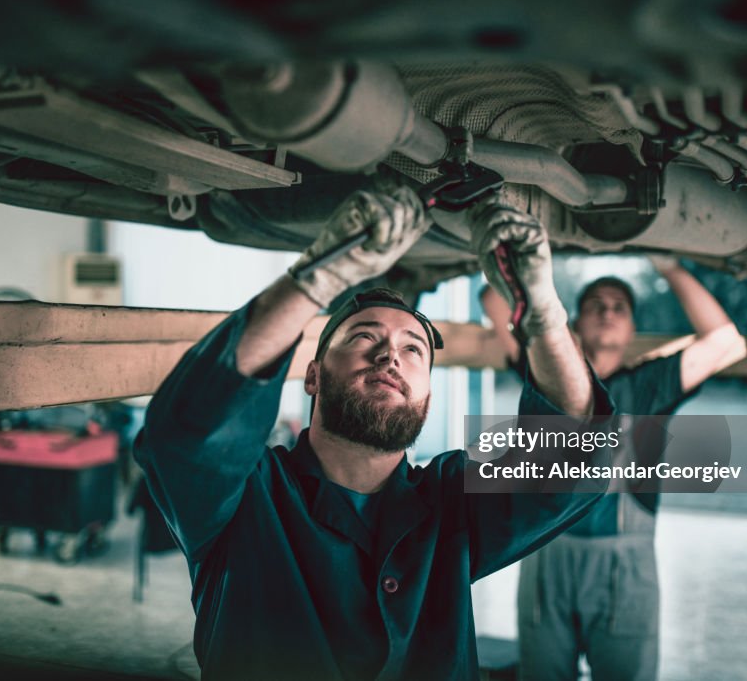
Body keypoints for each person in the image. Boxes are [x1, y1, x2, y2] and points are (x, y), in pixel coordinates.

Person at [135, 180, 614, 681]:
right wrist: (314, 279)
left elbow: (579, 460)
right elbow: (186, 435)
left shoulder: (451, 503)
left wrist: (543, 316)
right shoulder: (247, 499)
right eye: (364, 337)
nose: (390, 355)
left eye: (414, 350)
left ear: (427, 392)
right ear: (314, 375)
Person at [482, 258, 747, 681]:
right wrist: (548, 256)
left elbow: (727, 342)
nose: (607, 312)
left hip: (623, 568)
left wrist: (667, 264)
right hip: (547, 558)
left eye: (619, 306)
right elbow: (492, 300)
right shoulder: (546, 369)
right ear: (575, 321)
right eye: (596, 305)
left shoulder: (649, 384)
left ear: (631, 330)